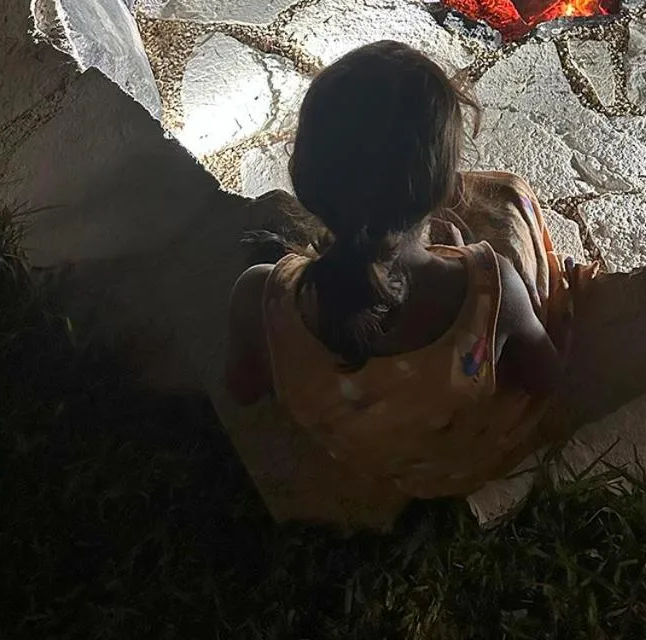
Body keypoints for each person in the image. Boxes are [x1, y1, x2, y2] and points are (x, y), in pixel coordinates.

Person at [225, 40, 591, 510]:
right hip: (466, 463)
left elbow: (243, 389)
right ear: (449, 189)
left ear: (303, 176)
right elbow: (546, 380)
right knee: (510, 196)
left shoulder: (259, 295)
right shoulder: (492, 287)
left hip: (364, 459)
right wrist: (469, 269)